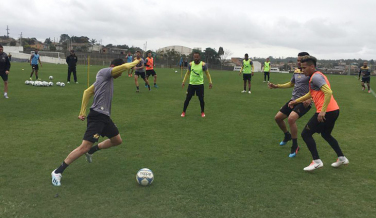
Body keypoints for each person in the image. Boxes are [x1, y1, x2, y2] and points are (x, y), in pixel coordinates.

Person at [51, 58, 140, 186]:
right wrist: (136, 62)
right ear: (113, 66)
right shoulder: (105, 72)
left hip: (104, 117)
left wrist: (82, 111)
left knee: (117, 140)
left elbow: (87, 92)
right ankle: (57, 171)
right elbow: (124, 67)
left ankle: (91, 151)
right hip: (97, 116)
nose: (120, 75)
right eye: (118, 71)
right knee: (84, 146)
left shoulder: (104, 79)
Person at [288, 55, 349, 172]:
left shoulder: (315, 77)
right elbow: (310, 94)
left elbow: (328, 92)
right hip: (334, 110)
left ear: (312, 66)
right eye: (301, 68)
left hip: (327, 111)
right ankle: (341, 158)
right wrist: (295, 101)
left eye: (304, 68)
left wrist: (322, 111)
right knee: (326, 134)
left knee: (306, 134)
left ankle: (316, 161)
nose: (302, 70)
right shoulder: (315, 77)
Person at [268, 52, 312, 157]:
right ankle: (287, 135)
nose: (298, 62)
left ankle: (295, 145)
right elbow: (291, 84)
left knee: (291, 119)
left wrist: (310, 98)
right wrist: (276, 86)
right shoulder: (296, 71)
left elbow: (317, 87)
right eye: (297, 60)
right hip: (293, 100)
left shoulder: (311, 73)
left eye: (300, 60)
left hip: (305, 102)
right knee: (278, 118)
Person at [181, 52, 213, 118]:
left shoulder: (203, 65)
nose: (196, 58)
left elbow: (207, 74)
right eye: (194, 57)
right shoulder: (190, 64)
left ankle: (202, 112)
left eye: (197, 57)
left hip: (200, 85)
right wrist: (183, 81)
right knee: (187, 99)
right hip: (191, 85)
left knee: (201, 99)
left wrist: (210, 82)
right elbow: (187, 73)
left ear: (199, 57)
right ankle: (183, 112)